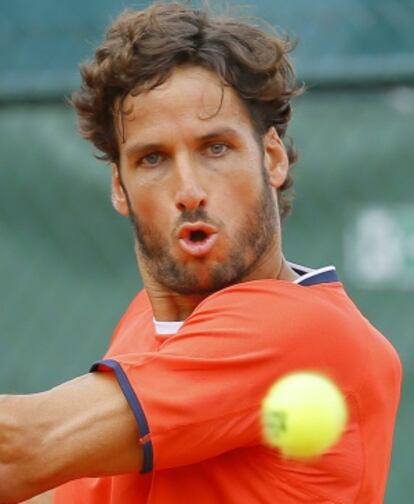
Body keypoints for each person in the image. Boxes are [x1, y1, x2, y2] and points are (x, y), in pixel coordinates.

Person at [0, 3, 402, 503]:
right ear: (120, 188)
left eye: (216, 148)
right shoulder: (146, 323)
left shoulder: (305, 334)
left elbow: (18, 450)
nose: (189, 190)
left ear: (271, 157)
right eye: (153, 159)